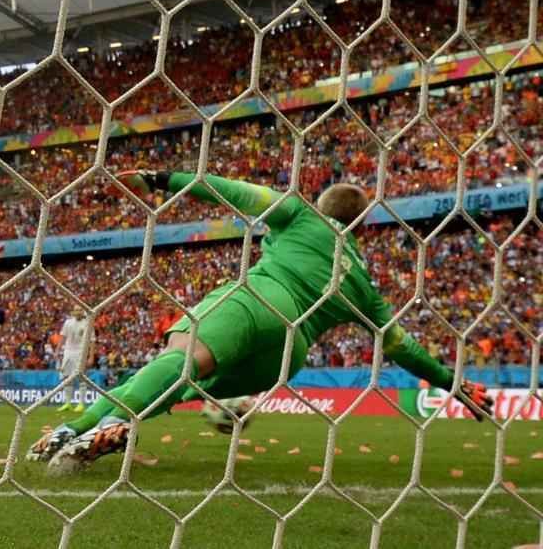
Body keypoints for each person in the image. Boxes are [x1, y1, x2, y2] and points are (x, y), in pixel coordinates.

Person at [30, 171, 493, 473]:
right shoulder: (364, 286)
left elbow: (234, 191)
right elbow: (400, 347)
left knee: (179, 362)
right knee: (184, 385)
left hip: (255, 301)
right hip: (287, 355)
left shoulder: (301, 215)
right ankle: (109, 432)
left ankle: (81, 429)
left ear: (321, 205)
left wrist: (163, 180)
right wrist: (452, 382)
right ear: (362, 227)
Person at [57, 308, 93, 413]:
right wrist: (58, 349)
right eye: (76, 310)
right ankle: (68, 403)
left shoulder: (87, 323)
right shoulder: (68, 322)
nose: (78, 312)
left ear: (83, 312)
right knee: (66, 378)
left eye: (80, 310)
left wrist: (91, 356)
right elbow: (63, 337)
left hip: (80, 353)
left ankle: (81, 404)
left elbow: (92, 341)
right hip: (68, 352)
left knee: (81, 378)